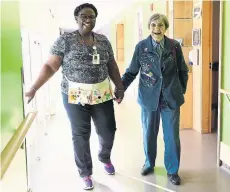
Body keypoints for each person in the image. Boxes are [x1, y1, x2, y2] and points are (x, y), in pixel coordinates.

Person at [25, 3, 124, 190]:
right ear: (76, 19)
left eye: (92, 16)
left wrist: (119, 87)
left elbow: (112, 65)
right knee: (80, 134)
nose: (88, 19)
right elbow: (50, 66)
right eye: (84, 16)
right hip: (74, 95)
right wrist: (34, 88)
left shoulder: (103, 41)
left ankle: (104, 156)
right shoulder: (65, 40)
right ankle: (85, 172)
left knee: (108, 130)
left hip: (101, 94)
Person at [121, 13, 189, 185]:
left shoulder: (174, 46)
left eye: (160, 25)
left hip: (170, 98)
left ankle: (172, 170)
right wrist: (120, 89)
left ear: (166, 28)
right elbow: (131, 71)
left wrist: (181, 89)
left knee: (171, 136)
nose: (157, 29)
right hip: (149, 97)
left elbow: (183, 70)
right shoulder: (141, 46)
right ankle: (149, 163)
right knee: (149, 133)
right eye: (153, 25)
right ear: (149, 27)